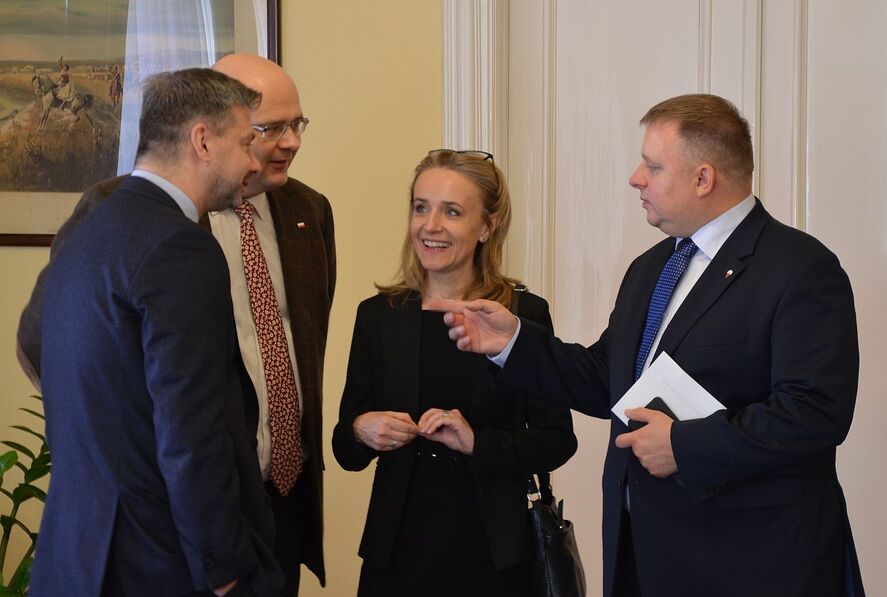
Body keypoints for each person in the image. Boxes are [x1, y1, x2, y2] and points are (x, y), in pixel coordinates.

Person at [440, 95, 864, 597]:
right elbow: (609, 381)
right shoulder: (651, 268)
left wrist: (684, 446)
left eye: (653, 165)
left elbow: (815, 413)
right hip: (644, 554)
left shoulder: (801, 269)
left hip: (751, 563)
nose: (635, 177)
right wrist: (512, 343)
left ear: (703, 179)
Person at [16, 53, 334, 595]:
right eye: (257, 134)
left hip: (113, 547)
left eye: (294, 125)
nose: (268, 155)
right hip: (170, 541)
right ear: (204, 140)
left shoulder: (307, 213)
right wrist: (225, 567)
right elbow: (190, 425)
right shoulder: (171, 240)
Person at [332, 149, 577, 596]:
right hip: (396, 556)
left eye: (452, 212)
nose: (431, 226)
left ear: (487, 226)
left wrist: (477, 443)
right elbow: (345, 449)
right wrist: (361, 429)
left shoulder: (524, 313)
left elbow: (558, 439)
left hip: (495, 557)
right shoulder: (379, 316)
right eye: (421, 207)